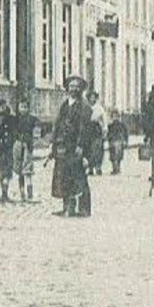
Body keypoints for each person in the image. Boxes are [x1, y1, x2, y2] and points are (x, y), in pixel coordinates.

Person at [50, 75, 94, 217]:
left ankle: (84, 208)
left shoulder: (84, 106)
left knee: (79, 176)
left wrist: (81, 146)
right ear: (67, 88)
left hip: (76, 146)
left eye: (76, 86)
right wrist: (53, 142)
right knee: (63, 176)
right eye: (71, 86)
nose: (73, 89)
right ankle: (67, 207)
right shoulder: (65, 104)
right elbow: (57, 124)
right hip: (63, 146)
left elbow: (84, 127)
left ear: (81, 89)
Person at [85, 90, 107, 175]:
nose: (92, 98)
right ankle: (90, 168)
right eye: (90, 97)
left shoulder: (99, 108)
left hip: (97, 130)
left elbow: (104, 120)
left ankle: (98, 167)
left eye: (94, 97)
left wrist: (105, 130)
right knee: (89, 149)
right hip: (88, 129)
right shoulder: (86, 107)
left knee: (97, 149)